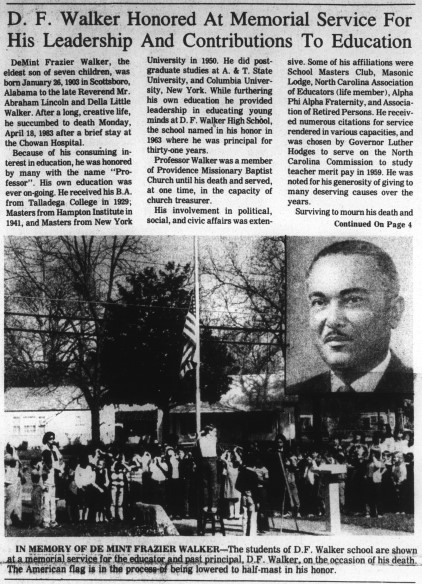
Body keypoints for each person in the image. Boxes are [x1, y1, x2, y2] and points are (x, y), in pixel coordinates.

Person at [289, 240, 413, 395]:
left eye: (353, 300)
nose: (333, 320)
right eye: (319, 302)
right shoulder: (296, 394)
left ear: (394, 311)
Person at [41, 432, 63, 527]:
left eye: (53, 438)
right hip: (47, 477)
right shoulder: (44, 449)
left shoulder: (54, 448)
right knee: (46, 501)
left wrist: (60, 468)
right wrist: (54, 466)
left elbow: (61, 458)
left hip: (54, 478)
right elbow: (47, 463)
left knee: (53, 501)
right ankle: (46, 521)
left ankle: (53, 521)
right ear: (46, 439)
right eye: (50, 439)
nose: (52, 440)